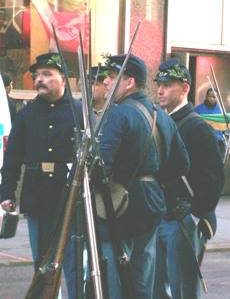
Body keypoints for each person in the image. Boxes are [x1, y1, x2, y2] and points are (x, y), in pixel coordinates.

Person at [93, 54, 190, 298]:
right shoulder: (163, 117)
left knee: (115, 280)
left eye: (113, 77)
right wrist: (153, 178)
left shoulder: (118, 114)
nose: (106, 82)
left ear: (129, 83)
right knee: (142, 280)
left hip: (119, 205)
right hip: (153, 201)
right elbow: (182, 164)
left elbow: (101, 165)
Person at [0, 53, 84, 299]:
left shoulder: (79, 111)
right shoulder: (27, 114)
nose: (40, 79)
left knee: (73, 262)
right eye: (37, 75)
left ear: (63, 80)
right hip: (37, 195)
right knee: (43, 263)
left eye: (47, 74)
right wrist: (6, 192)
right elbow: (13, 155)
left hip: (69, 196)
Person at [153, 58, 225, 299]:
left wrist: (194, 215)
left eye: (168, 85)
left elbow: (213, 178)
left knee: (183, 288)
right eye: (159, 84)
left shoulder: (197, 127)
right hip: (159, 215)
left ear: (184, 88)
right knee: (157, 289)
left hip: (182, 219)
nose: (160, 90)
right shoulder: (160, 121)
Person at [194, 87, 225, 154]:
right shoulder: (197, 109)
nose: (212, 99)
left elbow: (225, 128)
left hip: (218, 142)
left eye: (214, 97)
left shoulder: (221, 110)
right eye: (210, 96)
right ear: (206, 96)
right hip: (203, 142)